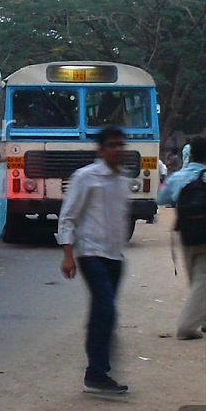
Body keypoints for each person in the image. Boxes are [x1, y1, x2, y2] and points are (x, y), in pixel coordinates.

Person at [56, 126, 130, 395]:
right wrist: (68, 254)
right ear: (100, 149)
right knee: (105, 308)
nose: (118, 149)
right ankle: (96, 373)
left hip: (114, 257)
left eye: (121, 144)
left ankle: (99, 368)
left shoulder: (122, 180)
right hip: (91, 253)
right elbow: (68, 216)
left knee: (104, 312)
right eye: (112, 145)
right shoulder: (85, 177)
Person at [157, 135, 206, 340]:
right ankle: (187, 326)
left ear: (190, 153)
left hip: (186, 234)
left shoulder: (178, 176)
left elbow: (161, 198)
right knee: (203, 280)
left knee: (197, 279)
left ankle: (204, 320)